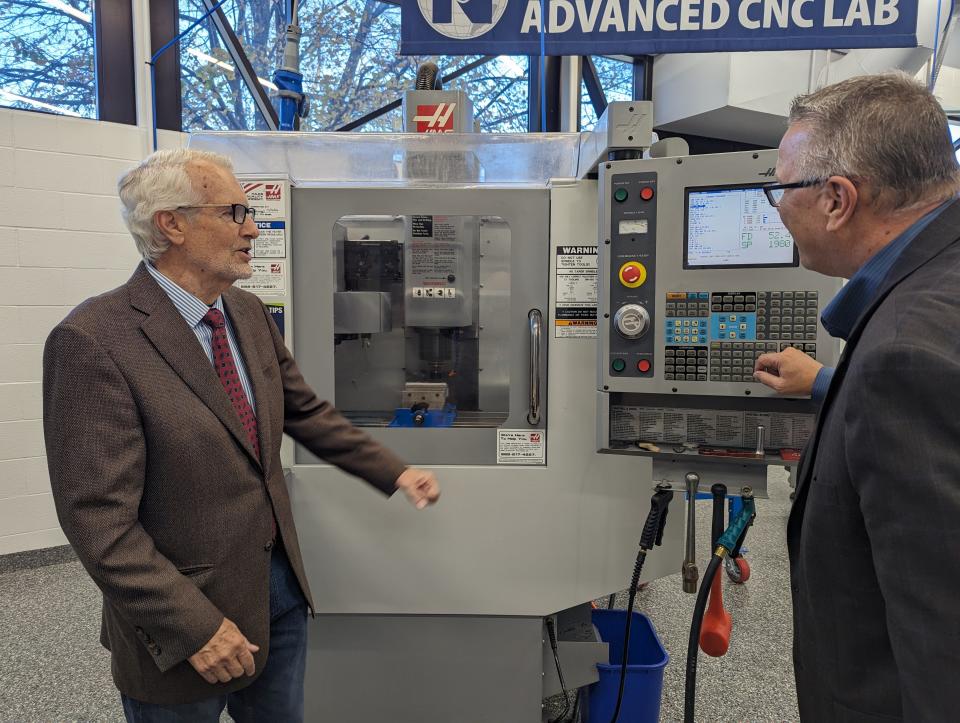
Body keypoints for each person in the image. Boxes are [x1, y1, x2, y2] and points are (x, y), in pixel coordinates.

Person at [42, 149, 440, 722]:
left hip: (277, 594)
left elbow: (303, 411)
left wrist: (393, 470)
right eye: (234, 212)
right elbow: (98, 522)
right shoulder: (94, 340)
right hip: (181, 621)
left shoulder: (246, 313)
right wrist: (196, 628)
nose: (252, 228)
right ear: (171, 224)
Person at [752, 73, 960, 720]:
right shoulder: (936, 288)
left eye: (780, 190)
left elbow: (943, 639)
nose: (777, 207)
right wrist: (825, 382)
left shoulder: (901, 354)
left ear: (838, 199)